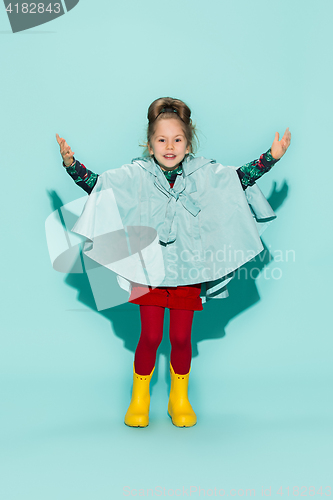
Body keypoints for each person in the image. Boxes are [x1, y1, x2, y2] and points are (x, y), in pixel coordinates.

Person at [56, 97, 291, 428]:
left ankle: (179, 398)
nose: (170, 146)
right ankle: (140, 398)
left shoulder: (205, 173)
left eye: (177, 139)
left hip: (188, 269)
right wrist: (71, 164)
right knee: (150, 337)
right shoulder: (135, 175)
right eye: (162, 140)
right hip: (149, 270)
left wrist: (272, 158)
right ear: (149, 144)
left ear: (188, 142)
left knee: (181, 339)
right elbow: (100, 188)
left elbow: (238, 180)